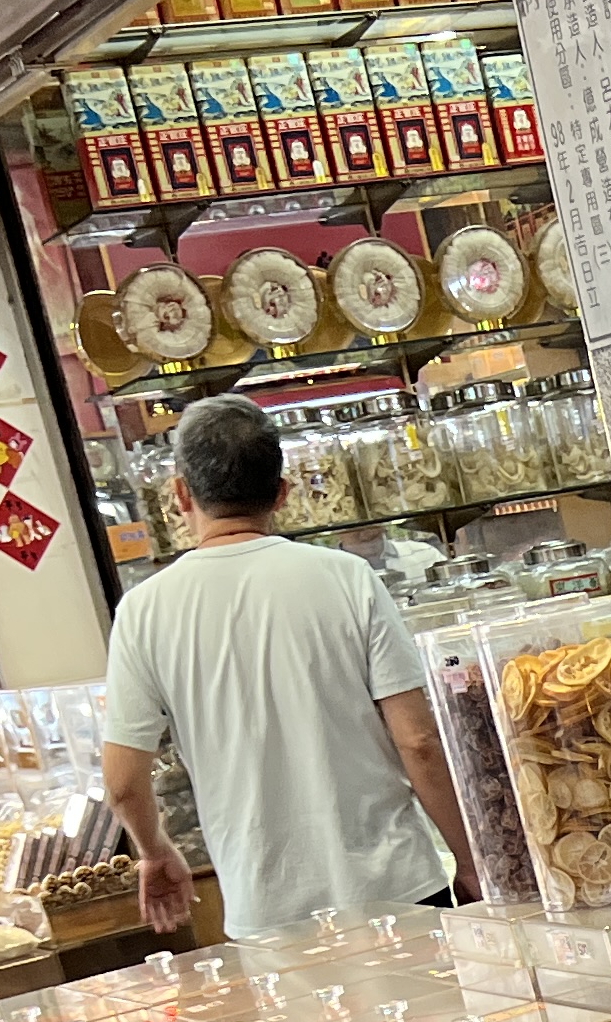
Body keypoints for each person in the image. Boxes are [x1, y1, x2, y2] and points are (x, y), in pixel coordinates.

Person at [98, 394, 472, 940]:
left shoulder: (143, 611)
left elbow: (123, 784)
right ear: (282, 493)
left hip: (267, 910)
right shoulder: (348, 578)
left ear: (180, 495)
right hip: (396, 887)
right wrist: (469, 857)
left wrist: (155, 852)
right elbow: (418, 742)